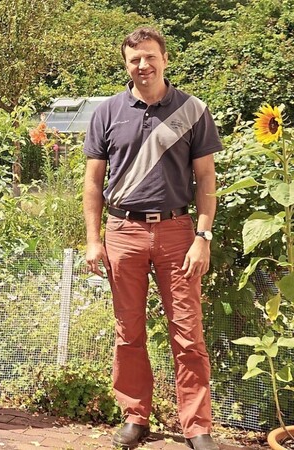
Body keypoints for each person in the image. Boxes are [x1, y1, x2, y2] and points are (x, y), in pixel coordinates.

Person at [83, 28, 221, 450]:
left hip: (179, 233)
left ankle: (197, 427)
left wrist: (203, 236)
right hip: (122, 231)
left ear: (164, 58)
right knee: (129, 331)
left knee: (188, 332)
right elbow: (92, 184)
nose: (142, 66)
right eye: (134, 60)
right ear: (126, 65)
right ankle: (135, 416)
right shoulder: (106, 112)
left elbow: (206, 179)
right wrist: (93, 239)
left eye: (149, 57)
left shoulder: (193, 110)